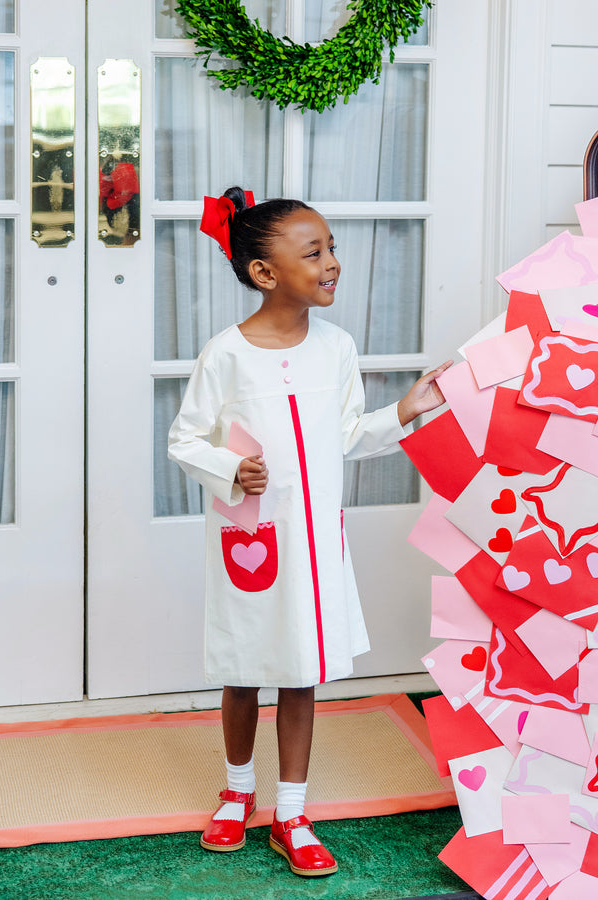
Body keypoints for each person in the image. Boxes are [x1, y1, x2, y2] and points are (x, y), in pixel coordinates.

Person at [168, 187, 452, 877]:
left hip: (315, 539)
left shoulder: (337, 348)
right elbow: (184, 439)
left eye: (332, 249)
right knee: (243, 666)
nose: (333, 264)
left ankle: (290, 811)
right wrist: (233, 467)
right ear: (265, 273)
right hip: (252, 536)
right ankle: (237, 793)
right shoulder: (226, 353)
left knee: (302, 672)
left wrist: (407, 408)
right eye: (315, 252)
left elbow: (350, 436)